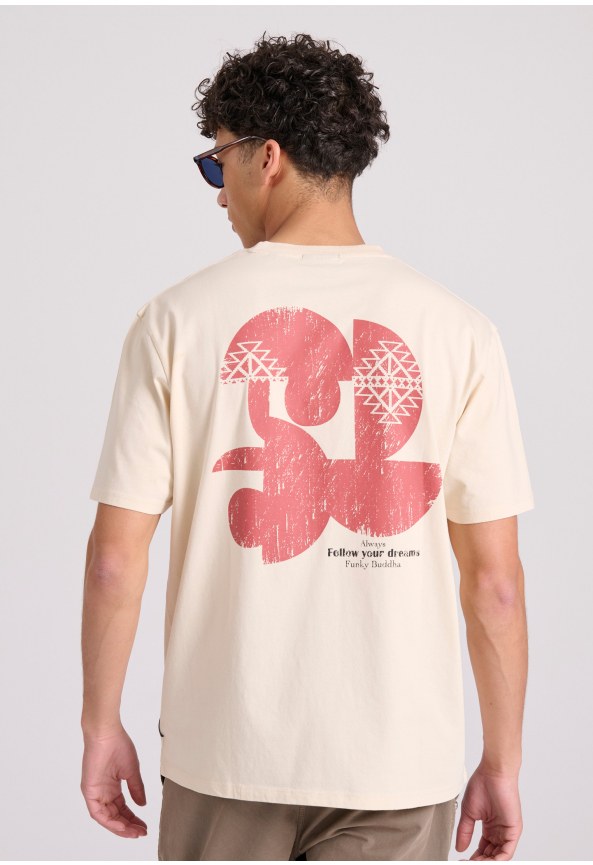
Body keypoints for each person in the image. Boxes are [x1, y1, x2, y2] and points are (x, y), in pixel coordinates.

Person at [80, 32, 534, 861]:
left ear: (268, 159)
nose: (217, 193)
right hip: (397, 765)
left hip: (224, 756)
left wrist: (99, 723)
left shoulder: (174, 322)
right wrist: (502, 763)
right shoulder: (460, 331)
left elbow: (116, 559)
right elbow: (494, 585)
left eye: (217, 163)